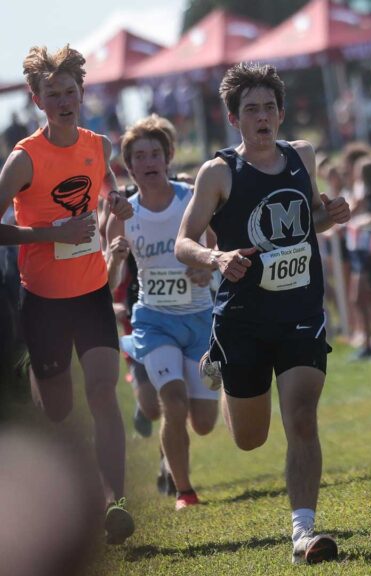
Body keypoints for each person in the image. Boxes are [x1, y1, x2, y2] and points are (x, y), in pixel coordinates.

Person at [174, 62, 351, 565]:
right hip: (242, 318)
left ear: (281, 112)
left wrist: (330, 215)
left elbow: (308, 218)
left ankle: (304, 532)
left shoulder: (302, 156)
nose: (263, 116)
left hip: (299, 311)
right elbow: (183, 241)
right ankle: (221, 363)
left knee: (301, 415)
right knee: (250, 439)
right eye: (251, 109)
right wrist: (216, 257)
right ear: (234, 119)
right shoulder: (219, 172)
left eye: (270, 107)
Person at [0, 44, 135, 545]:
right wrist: (46, 236)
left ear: (81, 93)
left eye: (70, 91)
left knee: (102, 390)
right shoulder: (24, 158)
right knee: (57, 411)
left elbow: (106, 185)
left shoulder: (97, 144)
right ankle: (33, 385)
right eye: (52, 93)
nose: (63, 100)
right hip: (43, 301)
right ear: (37, 100)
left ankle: (113, 503)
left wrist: (115, 203)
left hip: (93, 290)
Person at [106, 115, 219, 511]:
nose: (150, 161)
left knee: (203, 422)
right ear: (130, 166)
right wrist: (114, 260)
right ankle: (185, 492)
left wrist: (205, 267)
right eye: (140, 156)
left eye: (156, 153)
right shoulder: (123, 213)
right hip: (153, 319)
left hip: (200, 319)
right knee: (172, 400)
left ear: (168, 157)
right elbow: (111, 277)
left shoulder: (191, 199)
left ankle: (171, 453)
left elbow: (214, 250)